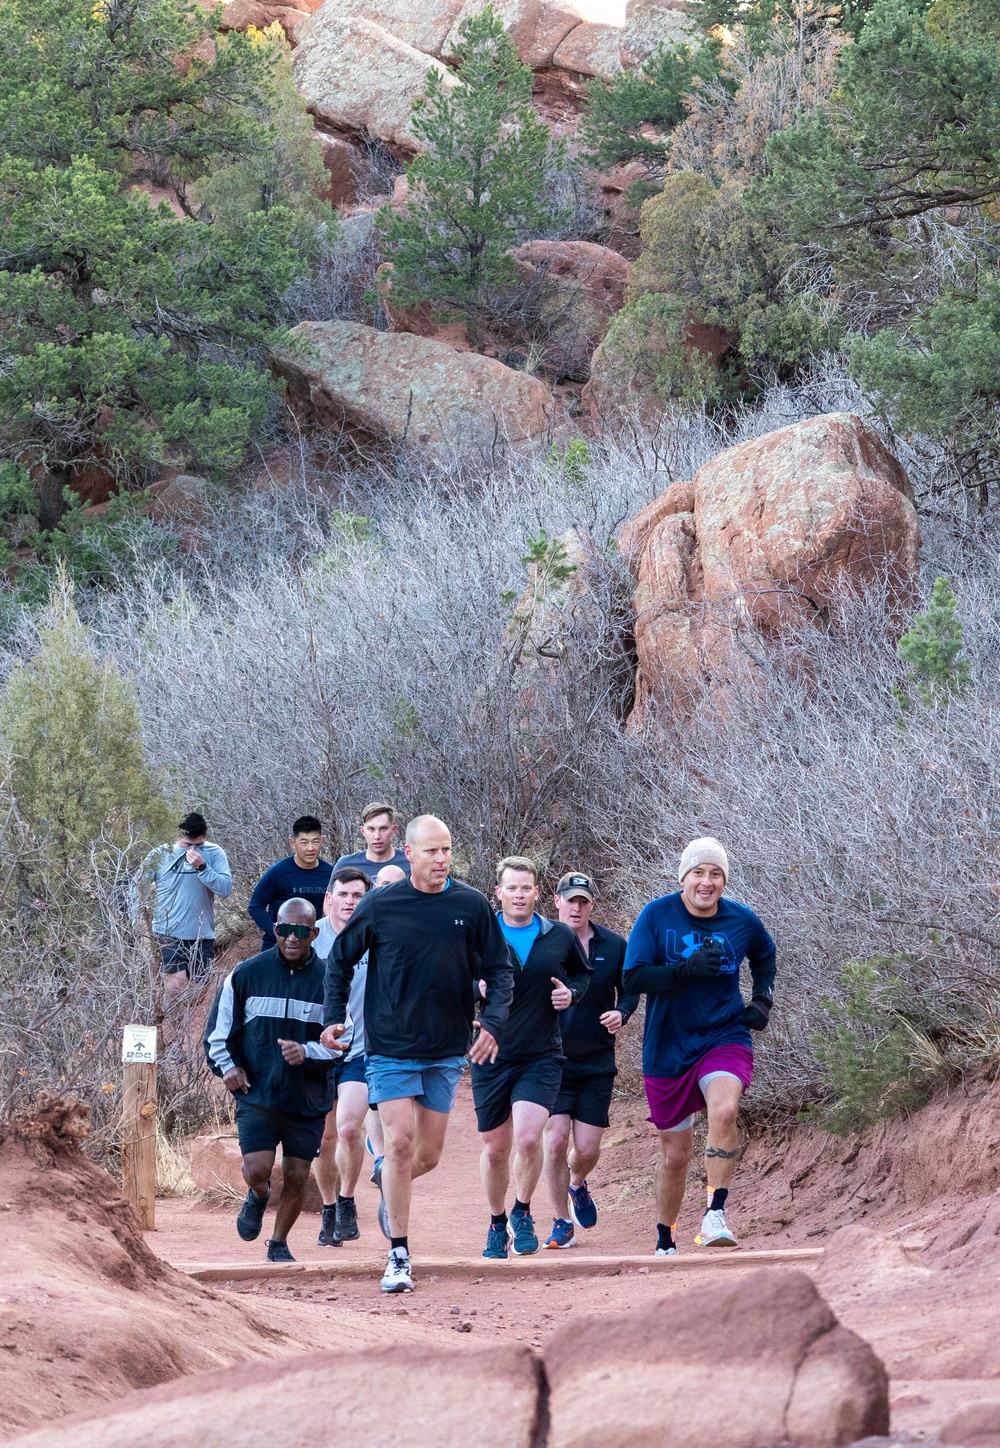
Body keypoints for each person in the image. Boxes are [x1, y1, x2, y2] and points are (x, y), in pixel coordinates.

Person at [321, 815, 513, 1294]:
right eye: (431, 851)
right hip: (389, 1047)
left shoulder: (470, 905)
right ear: (408, 854)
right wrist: (332, 1017)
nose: (441, 859)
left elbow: (500, 968)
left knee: (426, 1154)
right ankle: (400, 1255)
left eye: (447, 850)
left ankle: (390, 1182)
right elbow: (339, 961)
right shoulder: (382, 905)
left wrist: (492, 1022)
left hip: (446, 1049)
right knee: (400, 1142)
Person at [622, 838, 776, 1256]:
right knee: (675, 1156)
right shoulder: (657, 915)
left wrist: (762, 998)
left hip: (723, 1035)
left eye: (715, 874)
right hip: (668, 1047)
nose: (706, 882)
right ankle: (665, 1235)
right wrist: (683, 970)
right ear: (684, 877)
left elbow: (765, 954)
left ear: (724, 880)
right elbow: (632, 979)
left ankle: (715, 1214)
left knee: (723, 1110)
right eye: (698, 873)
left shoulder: (741, 920)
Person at [204, 898, 342, 1262]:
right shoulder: (246, 974)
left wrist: (309, 1052)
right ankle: (258, 1195)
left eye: (301, 931)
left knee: (297, 1176)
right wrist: (228, 1067)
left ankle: (279, 1243)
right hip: (258, 1094)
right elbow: (218, 1034)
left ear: (314, 933)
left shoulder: (331, 982)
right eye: (284, 930)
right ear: (275, 930)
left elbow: (345, 1042)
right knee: (257, 1169)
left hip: (307, 1098)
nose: (292, 938)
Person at [474, 857, 591, 1261]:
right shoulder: (481, 935)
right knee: (495, 1150)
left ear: (538, 893)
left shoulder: (557, 935)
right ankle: (495, 1222)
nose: (520, 895)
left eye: (527, 888)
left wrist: (570, 994)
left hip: (541, 1054)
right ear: (499, 893)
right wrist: (476, 986)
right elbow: (454, 976)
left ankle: (522, 1211)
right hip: (490, 1053)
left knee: (528, 1138)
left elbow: (582, 974)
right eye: (513, 888)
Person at [541, 872, 639, 1249]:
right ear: (557, 901)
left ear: (592, 905)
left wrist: (622, 1013)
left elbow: (630, 993)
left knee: (585, 1150)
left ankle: (577, 1184)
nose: (576, 907)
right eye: (571, 900)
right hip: (551, 1059)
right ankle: (561, 1221)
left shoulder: (614, 945)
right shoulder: (543, 943)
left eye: (583, 901)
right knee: (553, 1143)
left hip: (597, 1060)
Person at [313, 866, 385, 1247]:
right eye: (344, 894)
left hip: (360, 1049)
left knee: (348, 1128)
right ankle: (327, 1207)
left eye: (359, 896)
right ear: (330, 898)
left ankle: (346, 1200)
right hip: (318, 1051)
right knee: (322, 1139)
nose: (351, 902)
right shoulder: (312, 939)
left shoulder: (375, 938)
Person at [139, 812, 232, 999]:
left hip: (202, 933)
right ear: (177, 836)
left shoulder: (215, 853)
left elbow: (225, 889)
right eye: (188, 845)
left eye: (199, 845)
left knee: (199, 994)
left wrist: (203, 867)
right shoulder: (159, 854)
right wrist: (137, 922)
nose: (193, 850)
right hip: (168, 932)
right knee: (175, 987)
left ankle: (189, 1028)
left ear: (205, 837)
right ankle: (171, 1026)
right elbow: (138, 888)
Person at [248, 816, 333, 948]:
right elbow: (255, 906)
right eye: (304, 843)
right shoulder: (278, 872)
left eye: (315, 842)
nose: (310, 848)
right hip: (276, 947)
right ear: (293, 843)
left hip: (311, 946)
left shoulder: (330, 873)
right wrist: (276, 933)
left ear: (322, 841)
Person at [334, 802, 409, 882]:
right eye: (371, 829)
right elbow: (331, 894)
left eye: (383, 829)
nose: (377, 836)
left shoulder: (410, 863)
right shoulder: (346, 865)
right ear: (363, 831)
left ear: (394, 830)